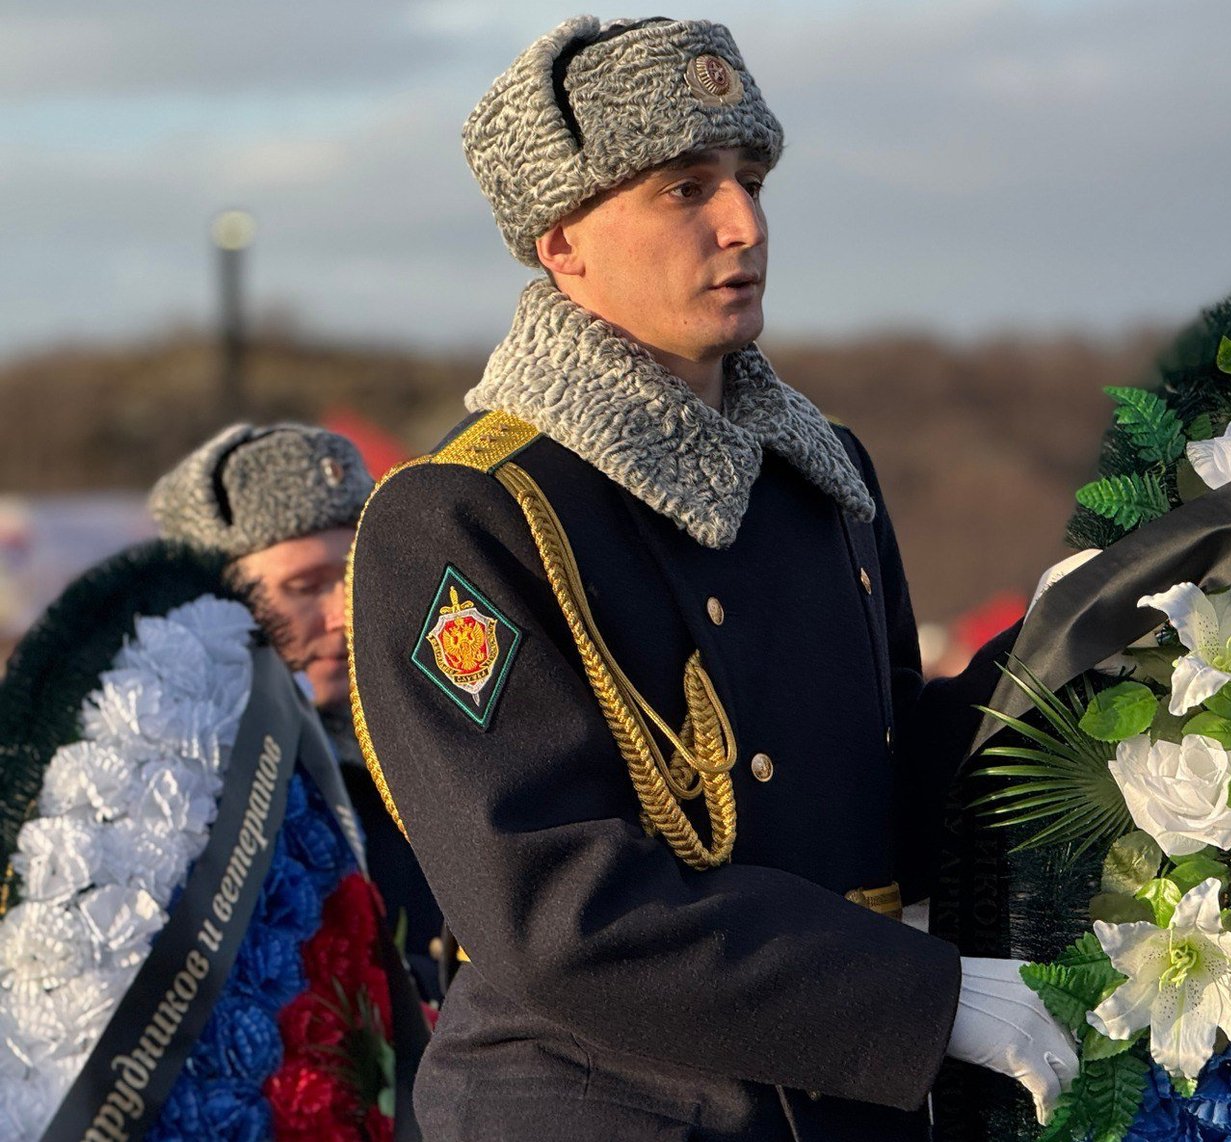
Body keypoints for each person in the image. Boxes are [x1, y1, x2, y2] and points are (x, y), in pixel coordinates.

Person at [345, 17, 1072, 1141]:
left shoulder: (817, 465)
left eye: (748, 179)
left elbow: (874, 788)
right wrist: (927, 1002)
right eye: (684, 189)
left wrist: (1088, 643)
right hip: (606, 1105)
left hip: (841, 1092)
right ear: (562, 243)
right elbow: (558, 908)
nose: (743, 223)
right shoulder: (464, 512)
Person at [148, 423, 447, 999]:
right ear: (212, 600)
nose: (345, 612)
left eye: (357, 573)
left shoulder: (429, 738)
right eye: (304, 586)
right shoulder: (172, 790)